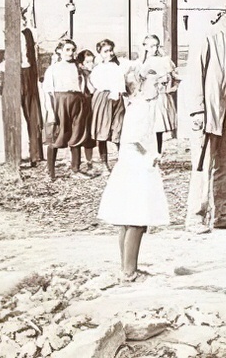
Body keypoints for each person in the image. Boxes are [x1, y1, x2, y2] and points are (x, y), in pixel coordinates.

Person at [181, 0, 226, 234]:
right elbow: (194, 76)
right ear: (223, 11)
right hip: (209, 107)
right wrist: (197, 109)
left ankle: (222, 215)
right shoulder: (206, 36)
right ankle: (195, 217)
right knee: (203, 164)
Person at [98, 63, 170, 281]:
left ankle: (127, 268)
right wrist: (151, 156)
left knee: (129, 218)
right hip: (136, 164)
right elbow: (134, 140)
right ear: (139, 87)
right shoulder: (140, 107)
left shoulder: (138, 105)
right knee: (136, 219)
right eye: (154, 83)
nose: (158, 87)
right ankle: (129, 271)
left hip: (132, 163)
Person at [40, 39, 91, 180]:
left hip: (77, 100)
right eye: (67, 49)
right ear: (59, 51)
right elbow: (47, 91)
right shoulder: (53, 68)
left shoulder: (78, 67)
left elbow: (85, 85)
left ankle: (75, 169)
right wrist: (50, 111)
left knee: (77, 134)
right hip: (60, 102)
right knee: (56, 135)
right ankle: (50, 173)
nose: (70, 53)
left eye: (73, 50)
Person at [88, 39, 128, 172]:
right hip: (103, 99)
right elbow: (94, 85)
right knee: (102, 131)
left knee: (119, 129)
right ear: (100, 53)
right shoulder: (98, 69)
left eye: (111, 50)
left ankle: (123, 162)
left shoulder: (118, 66)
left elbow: (124, 84)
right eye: (106, 51)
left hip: (117, 99)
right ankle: (104, 164)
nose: (110, 53)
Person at [138, 34, 177, 152]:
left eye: (156, 46)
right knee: (145, 127)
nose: (154, 49)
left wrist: (165, 82)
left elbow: (172, 76)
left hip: (157, 97)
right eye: (151, 46)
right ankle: (146, 154)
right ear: (145, 47)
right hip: (146, 95)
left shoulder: (162, 60)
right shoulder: (143, 61)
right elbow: (139, 77)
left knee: (157, 127)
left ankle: (157, 154)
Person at [18, 9, 45, 168]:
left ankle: (35, 155)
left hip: (30, 75)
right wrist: (0, 65)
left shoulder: (29, 33)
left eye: (23, 17)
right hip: (14, 77)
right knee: (15, 118)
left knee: (34, 115)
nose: (22, 20)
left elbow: (36, 54)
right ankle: (16, 157)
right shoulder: (2, 35)